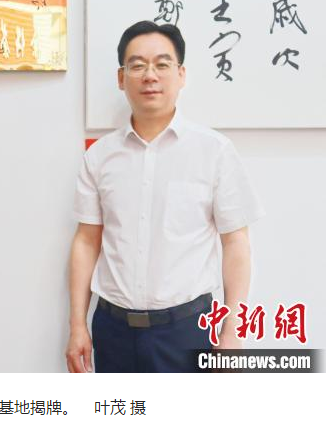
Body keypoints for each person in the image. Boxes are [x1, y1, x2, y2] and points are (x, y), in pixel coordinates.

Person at [66, 20, 264, 373]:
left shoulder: (214, 151)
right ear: (121, 77)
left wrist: (233, 329)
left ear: (181, 74)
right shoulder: (100, 156)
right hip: (112, 329)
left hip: (188, 330)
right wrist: (77, 324)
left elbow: (236, 243)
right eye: (137, 65)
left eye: (162, 64)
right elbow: (86, 240)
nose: (150, 76)